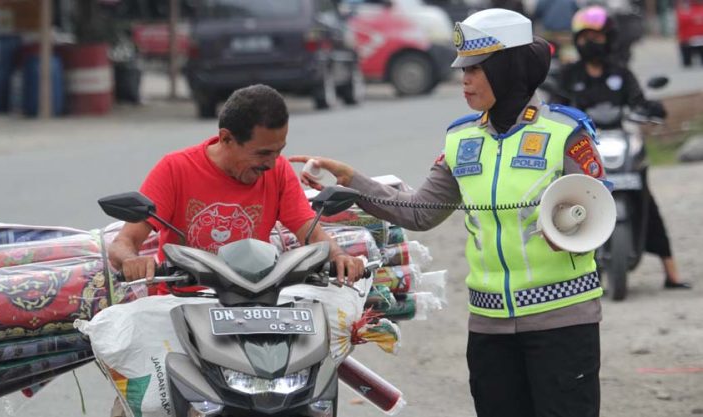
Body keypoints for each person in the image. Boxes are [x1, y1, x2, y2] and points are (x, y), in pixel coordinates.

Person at [292, 9, 608, 417]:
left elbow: (600, 211)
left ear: (507, 68)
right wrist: (352, 180)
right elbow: (421, 212)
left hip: (563, 323)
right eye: (463, 69)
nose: (465, 80)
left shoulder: (566, 133)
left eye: (476, 69)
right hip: (488, 325)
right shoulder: (461, 139)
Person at [107, 84, 366, 416]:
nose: (272, 164)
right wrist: (131, 260)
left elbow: (309, 228)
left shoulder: (280, 172)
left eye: (278, 151)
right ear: (226, 138)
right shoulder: (176, 169)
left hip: (255, 311)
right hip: (184, 309)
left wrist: (338, 257)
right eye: (262, 154)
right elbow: (124, 243)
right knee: (146, 404)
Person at [558, 5, 692, 290]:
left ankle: (672, 272)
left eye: (595, 36)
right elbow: (555, 103)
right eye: (583, 38)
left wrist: (651, 109)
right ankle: (575, 273)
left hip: (620, 141)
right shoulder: (569, 75)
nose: (589, 43)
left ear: (608, 37)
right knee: (568, 202)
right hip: (583, 148)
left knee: (646, 198)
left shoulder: (621, 73)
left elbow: (638, 101)